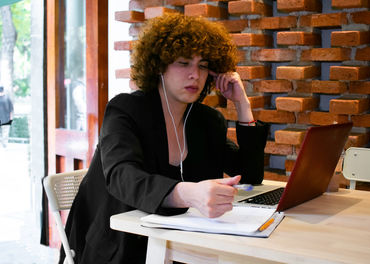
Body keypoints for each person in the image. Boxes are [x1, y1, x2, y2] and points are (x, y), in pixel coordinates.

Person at [60, 13, 268, 264]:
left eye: (202, 65)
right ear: (159, 66)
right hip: (118, 245)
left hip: (179, 244)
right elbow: (122, 176)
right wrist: (188, 193)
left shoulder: (207, 121)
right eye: (183, 63)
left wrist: (242, 104)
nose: (195, 75)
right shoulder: (125, 109)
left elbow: (250, 174)